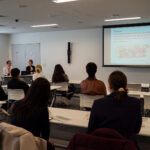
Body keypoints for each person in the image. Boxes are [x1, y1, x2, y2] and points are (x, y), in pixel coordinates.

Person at [87, 71, 142, 148]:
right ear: (126, 86)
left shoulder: (98, 103)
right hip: (125, 147)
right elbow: (136, 130)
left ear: (109, 86)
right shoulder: (136, 103)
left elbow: (90, 130)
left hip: (102, 146)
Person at [9, 78, 54, 150]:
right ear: (46, 93)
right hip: (30, 144)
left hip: (13, 143)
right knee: (50, 146)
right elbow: (45, 134)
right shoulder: (42, 110)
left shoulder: (16, 104)